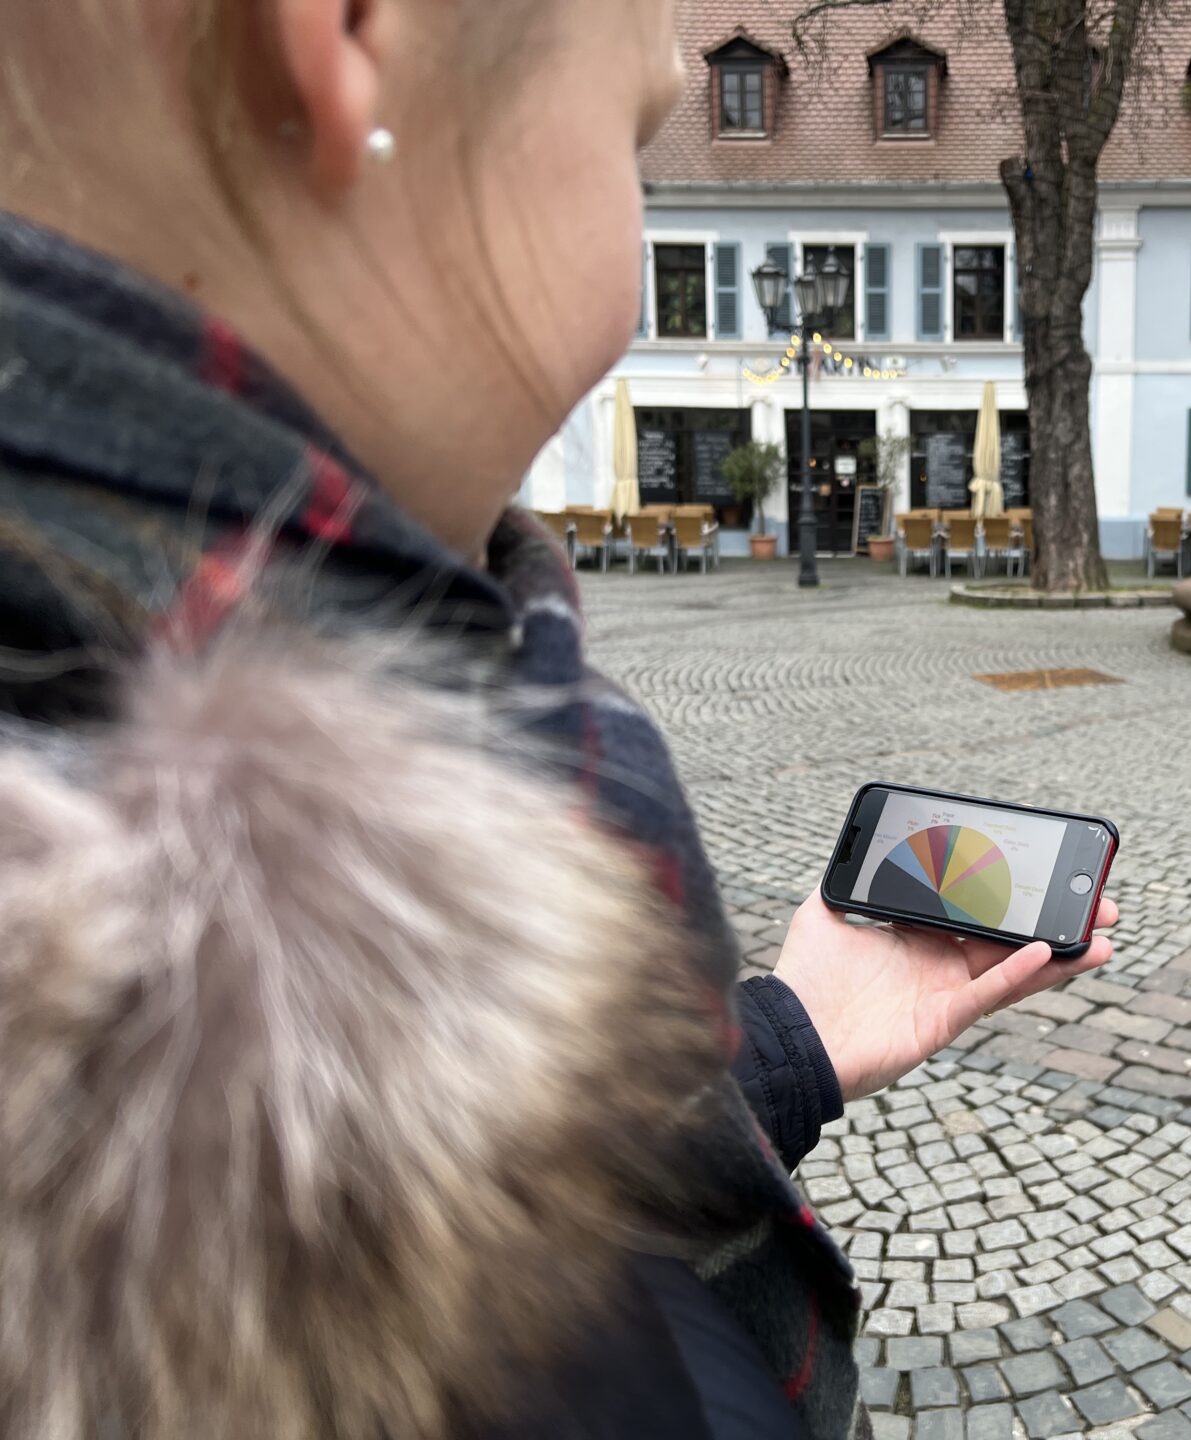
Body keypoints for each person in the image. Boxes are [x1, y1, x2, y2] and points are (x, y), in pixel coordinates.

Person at [0, 3, 1118, 1438]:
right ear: (344, 36)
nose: (634, 276)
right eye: (635, 139)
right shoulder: (252, 895)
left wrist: (769, 1056)